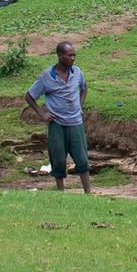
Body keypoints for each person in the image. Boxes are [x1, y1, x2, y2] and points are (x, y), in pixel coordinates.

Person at [20, 40, 92, 194]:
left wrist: (80, 106)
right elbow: (29, 96)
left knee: (82, 159)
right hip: (57, 123)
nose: (73, 58)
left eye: (74, 55)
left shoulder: (77, 72)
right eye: (69, 55)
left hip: (75, 122)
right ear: (59, 55)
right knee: (58, 159)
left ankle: (88, 192)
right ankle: (60, 193)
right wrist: (42, 114)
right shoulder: (47, 76)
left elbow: (84, 88)